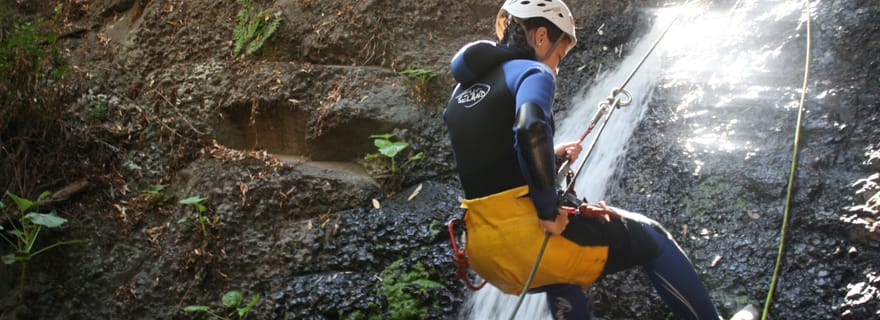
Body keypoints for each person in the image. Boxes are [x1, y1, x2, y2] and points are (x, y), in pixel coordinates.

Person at [442, 0, 723, 319]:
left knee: (563, 270)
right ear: (541, 36)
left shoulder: (461, 92)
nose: (557, 68)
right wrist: (548, 210)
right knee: (654, 238)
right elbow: (530, 126)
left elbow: (490, 158)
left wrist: (551, 154)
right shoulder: (533, 72)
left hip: (484, 252)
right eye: (560, 55)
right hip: (527, 238)